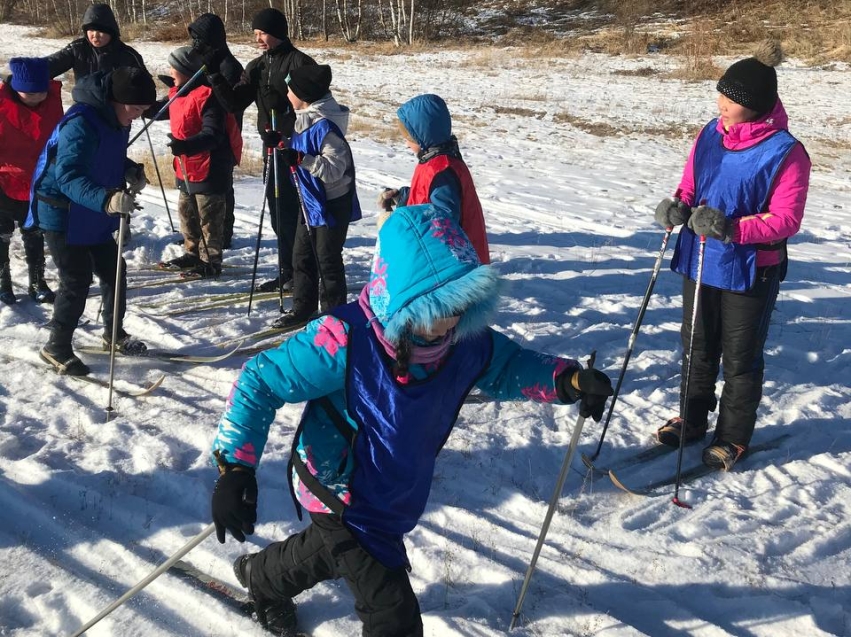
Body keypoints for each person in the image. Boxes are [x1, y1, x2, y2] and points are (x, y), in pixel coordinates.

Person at [209, 204, 614, 636]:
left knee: (333, 550)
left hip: (392, 488)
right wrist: (236, 467)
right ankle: (270, 580)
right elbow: (261, 381)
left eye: (460, 305)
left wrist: (567, 379)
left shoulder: (462, 340)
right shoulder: (344, 340)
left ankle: (262, 578)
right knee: (392, 614)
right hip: (339, 484)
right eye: (436, 309)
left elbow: (508, 366)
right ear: (402, 300)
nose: (449, 322)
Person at [653, 41, 810, 471]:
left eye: (730, 97)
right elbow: (692, 182)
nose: (719, 102)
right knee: (697, 346)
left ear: (754, 105)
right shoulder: (709, 132)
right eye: (721, 94)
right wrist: (678, 206)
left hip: (750, 269)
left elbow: (786, 219)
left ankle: (732, 436)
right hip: (701, 257)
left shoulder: (786, 152)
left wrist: (732, 228)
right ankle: (692, 418)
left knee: (739, 357)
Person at [26, 67, 156, 376]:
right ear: (115, 100)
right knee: (76, 279)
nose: (137, 115)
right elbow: (68, 175)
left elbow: (106, 156)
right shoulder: (82, 123)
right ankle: (56, 346)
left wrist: (129, 170)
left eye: (143, 110)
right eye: (134, 108)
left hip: (92, 208)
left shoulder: (115, 119)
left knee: (114, 270)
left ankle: (114, 333)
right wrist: (107, 200)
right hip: (63, 211)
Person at [195, 7, 316, 292]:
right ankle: (287, 272)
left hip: (298, 149)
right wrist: (214, 74)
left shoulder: (299, 62)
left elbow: (314, 107)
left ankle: (305, 274)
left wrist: (287, 130)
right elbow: (235, 103)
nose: (258, 39)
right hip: (271, 149)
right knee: (278, 214)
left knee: (298, 215)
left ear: (276, 33)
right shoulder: (257, 66)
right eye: (256, 33)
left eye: (262, 33)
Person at [271, 64, 361, 329]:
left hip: (331, 203)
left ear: (305, 95)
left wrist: (302, 159)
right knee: (301, 256)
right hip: (309, 200)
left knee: (327, 260)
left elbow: (334, 170)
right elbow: (297, 146)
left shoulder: (326, 128)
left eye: (290, 90)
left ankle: (335, 316)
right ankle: (303, 306)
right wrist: (280, 142)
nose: (287, 95)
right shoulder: (304, 117)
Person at [155, 47, 242, 279]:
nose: (170, 71)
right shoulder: (179, 92)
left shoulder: (209, 96)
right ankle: (192, 254)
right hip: (186, 165)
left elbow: (213, 134)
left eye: (174, 67)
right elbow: (159, 110)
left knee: (209, 220)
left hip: (211, 166)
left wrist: (185, 146)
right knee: (187, 213)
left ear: (186, 70)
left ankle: (211, 262)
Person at [378, 94, 490, 264]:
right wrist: (404, 197)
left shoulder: (442, 172)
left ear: (422, 136)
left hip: (451, 264)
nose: (406, 143)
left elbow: (444, 222)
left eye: (409, 138)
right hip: (440, 259)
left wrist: (402, 222)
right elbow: (426, 198)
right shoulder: (434, 163)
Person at [0, 58, 63, 306]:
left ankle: (38, 280)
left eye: (40, 92)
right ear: (16, 87)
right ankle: (2, 281)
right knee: (2, 234)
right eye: (29, 92)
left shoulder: (52, 102)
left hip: (38, 180)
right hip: (4, 179)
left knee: (35, 231)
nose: (36, 97)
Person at [187, 13, 244, 250]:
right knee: (206, 188)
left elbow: (230, 103)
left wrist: (212, 78)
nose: (195, 43)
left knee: (222, 188)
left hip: (226, 133)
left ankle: (224, 233)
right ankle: (202, 232)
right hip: (206, 129)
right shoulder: (204, 59)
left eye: (199, 38)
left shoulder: (229, 65)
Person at [44, 3, 146, 82]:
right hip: (85, 105)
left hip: (116, 107)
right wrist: (30, 67)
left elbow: (144, 86)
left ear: (111, 32)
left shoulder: (128, 55)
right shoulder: (78, 49)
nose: (95, 35)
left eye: (101, 31)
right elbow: (49, 65)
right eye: (91, 30)